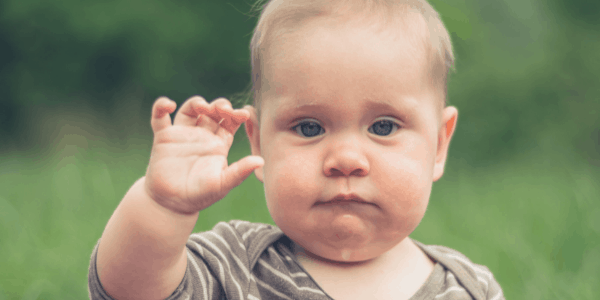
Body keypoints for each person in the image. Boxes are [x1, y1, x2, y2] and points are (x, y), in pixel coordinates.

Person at [88, 0, 505, 299]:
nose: (345, 159)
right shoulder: (234, 266)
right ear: (257, 142)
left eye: (382, 126)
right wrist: (163, 206)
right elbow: (128, 290)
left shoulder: (469, 289)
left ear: (437, 145)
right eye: (309, 127)